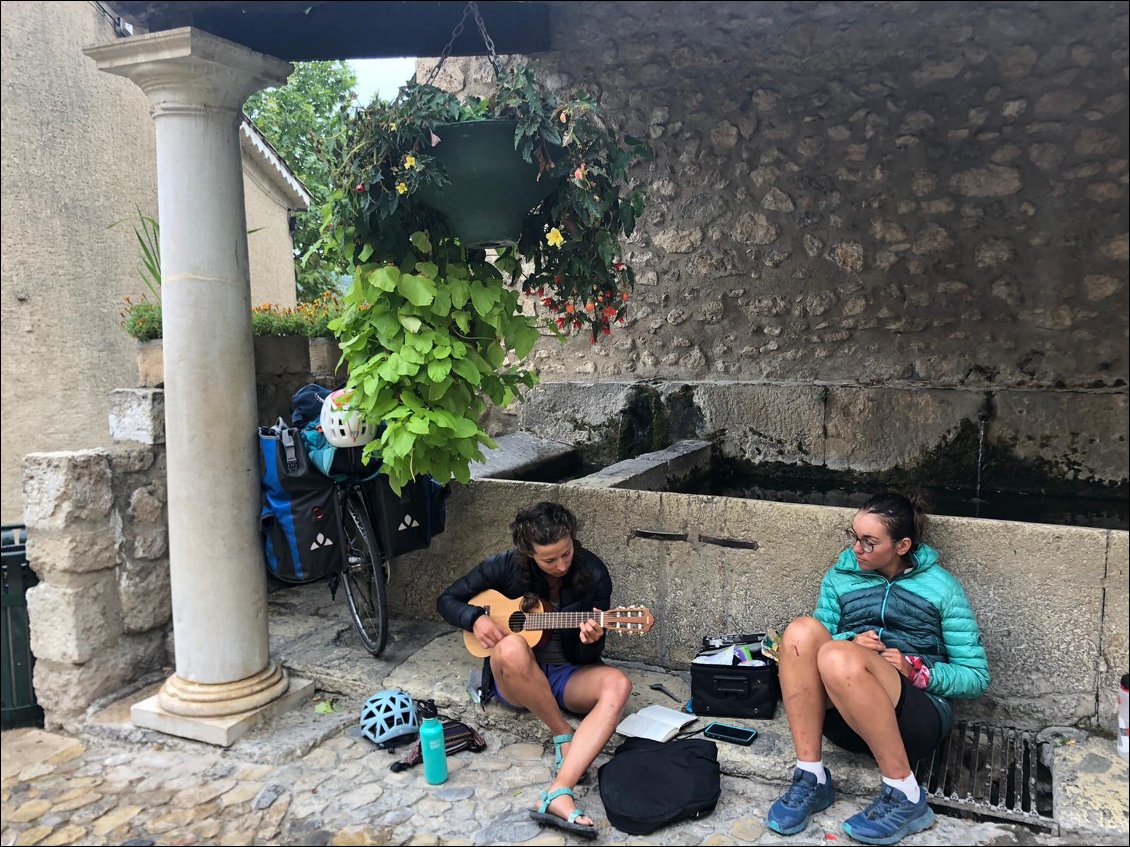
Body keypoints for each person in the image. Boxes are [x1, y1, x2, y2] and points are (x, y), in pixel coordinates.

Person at [766, 491, 990, 846]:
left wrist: (917, 670)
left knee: (838, 656)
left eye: (869, 542)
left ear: (901, 545)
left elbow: (976, 676)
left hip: (914, 721)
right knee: (800, 632)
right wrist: (850, 642)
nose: (857, 549)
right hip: (844, 719)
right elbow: (817, 643)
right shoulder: (839, 577)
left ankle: (906, 793)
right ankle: (811, 776)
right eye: (854, 537)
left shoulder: (942, 588)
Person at [437, 502, 631, 839]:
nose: (560, 565)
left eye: (566, 554)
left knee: (619, 684)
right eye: (549, 559)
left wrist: (590, 640)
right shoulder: (505, 566)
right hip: (515, 678)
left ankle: (559, 792)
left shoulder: (594, 573)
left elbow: (590, 656)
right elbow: (447, 600)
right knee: (512, 646)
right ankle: (562, 733)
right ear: (529, 554)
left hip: (567, 673)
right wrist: (475, 618)